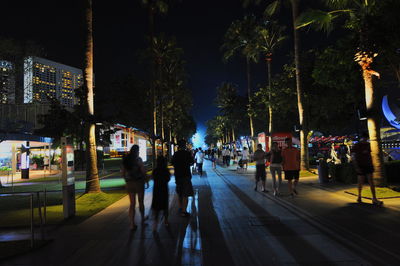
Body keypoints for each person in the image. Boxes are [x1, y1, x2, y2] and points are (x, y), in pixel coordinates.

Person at [351, 133, 383, 205]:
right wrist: (356, 167)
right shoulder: (357, 145)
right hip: (360, 165)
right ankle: (359, 196)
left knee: (371, 181)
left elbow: (370, 155)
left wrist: (372, 164)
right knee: (360, 182)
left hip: (368, 165)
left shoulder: (368, 145)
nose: (365, 140)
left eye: (366, 139)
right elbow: (353, 156)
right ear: (361, 138)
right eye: (364, 138)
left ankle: (374, 198)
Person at [122, 145, 148, 230]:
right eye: (138, 151)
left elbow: (122, 173)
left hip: (129, 183)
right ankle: (142, 219)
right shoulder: (138, 159)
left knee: (132, 204)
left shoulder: (126, 160)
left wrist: (126, 180)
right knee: (141, 202)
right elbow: (143, 171)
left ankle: (132, 224)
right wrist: (146, 181)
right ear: (136, 151)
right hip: (139, 182)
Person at [171, 139, 195, 217]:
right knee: (186, 194)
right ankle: (184, 211)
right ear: (185, 145)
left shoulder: (175, 154)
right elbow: (192, 162)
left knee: (180, 193)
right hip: (186, 175)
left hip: (178, 176)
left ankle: (180, 208)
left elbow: (172, 163)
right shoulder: (187, 153)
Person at [151, 156, 171, 232]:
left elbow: (153, 178)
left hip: (156, 189)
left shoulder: (155, 170)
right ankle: (166, 221)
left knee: (156, 207)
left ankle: (155, 225)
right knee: (165, 205)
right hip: (164, 189)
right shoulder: (166, 170)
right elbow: (168, 179)